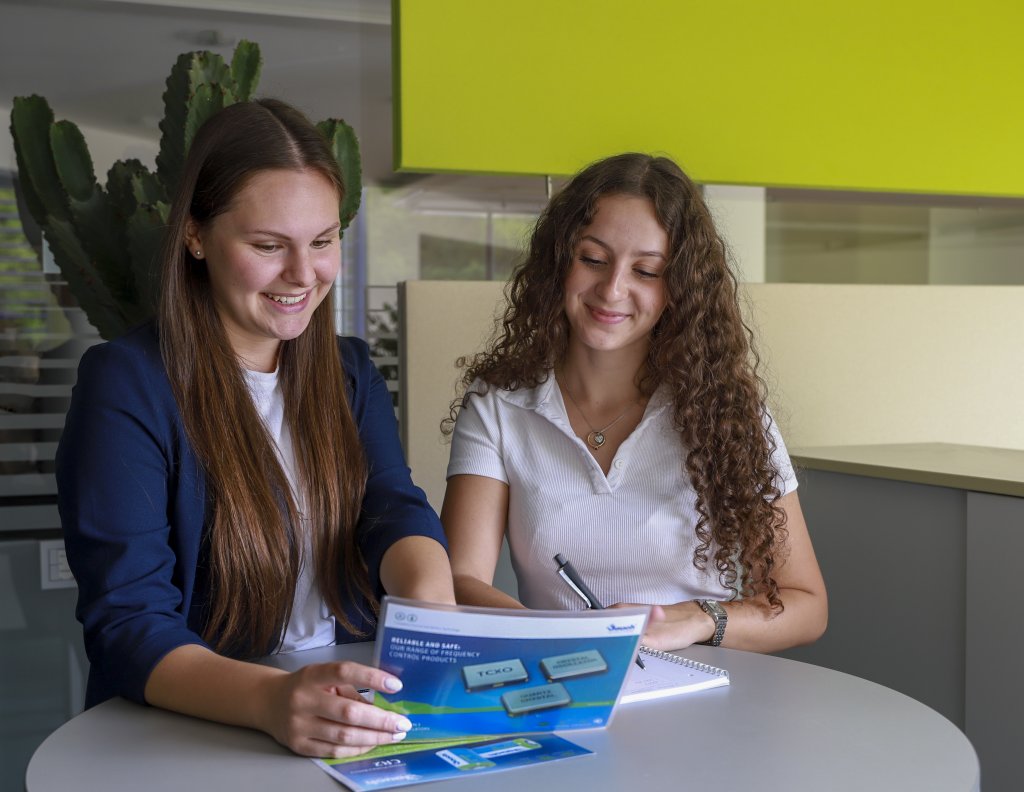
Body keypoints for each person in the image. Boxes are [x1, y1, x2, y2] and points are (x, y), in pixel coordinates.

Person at [56, 98, 455, 758]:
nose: (303, 275)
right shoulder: (125, 385)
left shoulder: (349, 370)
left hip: (347, 709)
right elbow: (127, 622)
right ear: (195, 236)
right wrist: (272, 701)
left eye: (323, 242)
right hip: (198, 726)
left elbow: (391, 509)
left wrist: (432, 609)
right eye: (269, 246)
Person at [441, 153, 826, 653]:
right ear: (559, 262)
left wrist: (698, 619)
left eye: (646, 271)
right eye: (593, 259)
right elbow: (458, 580)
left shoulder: (729, 414)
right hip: (561, 680)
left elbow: (805, 604)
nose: (613, 289)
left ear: (679, 289)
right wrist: (557, 638)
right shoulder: (497, 407)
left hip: (700, 693)